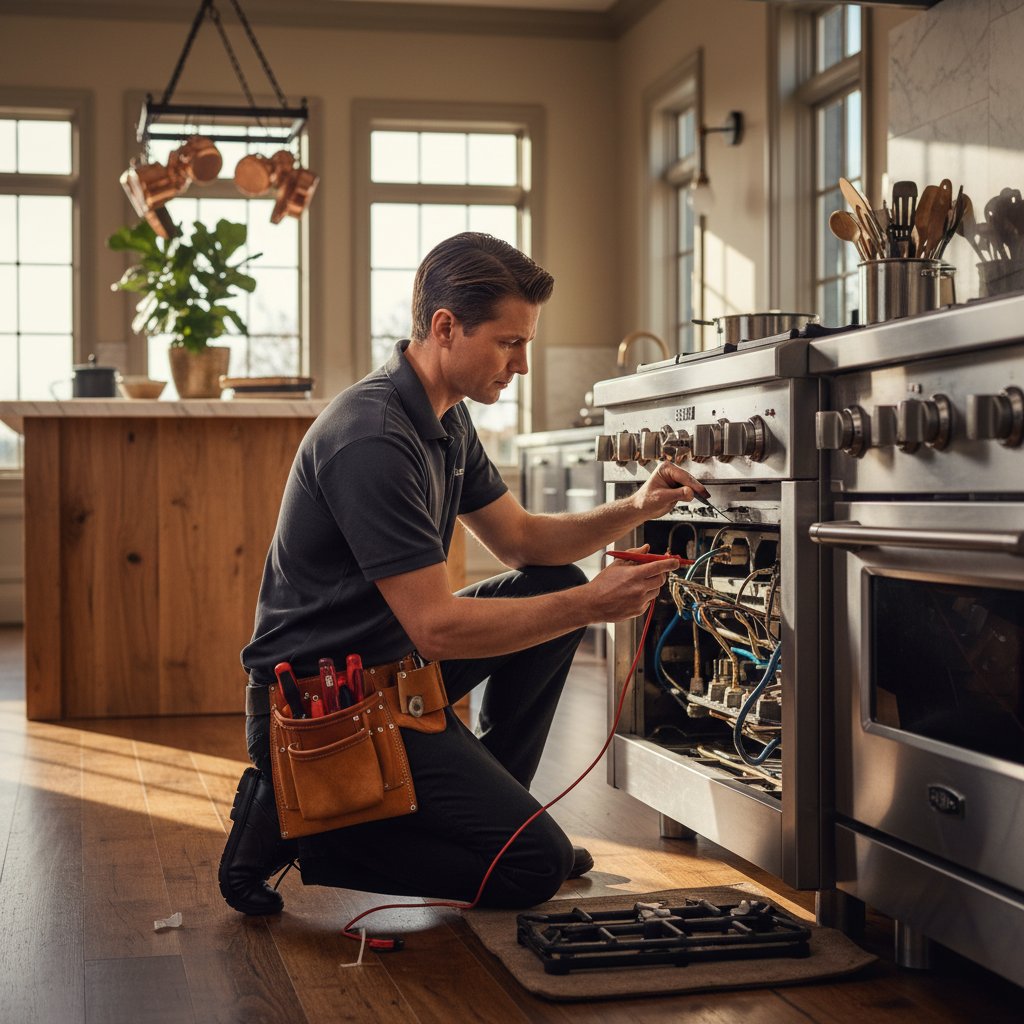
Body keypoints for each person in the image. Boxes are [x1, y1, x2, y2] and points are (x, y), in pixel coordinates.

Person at [218, 231, 707, 916]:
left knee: (557, 580)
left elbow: (523, 541)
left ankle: (492, 810)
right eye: (511, 343)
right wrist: (594, 606)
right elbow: (439, 627)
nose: (524, 365)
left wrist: (636, 507)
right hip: (321, 711)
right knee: (531, 870)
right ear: (445, 328)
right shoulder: (373, 437)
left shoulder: (445, 417)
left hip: (398, 674)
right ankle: (302, 832)